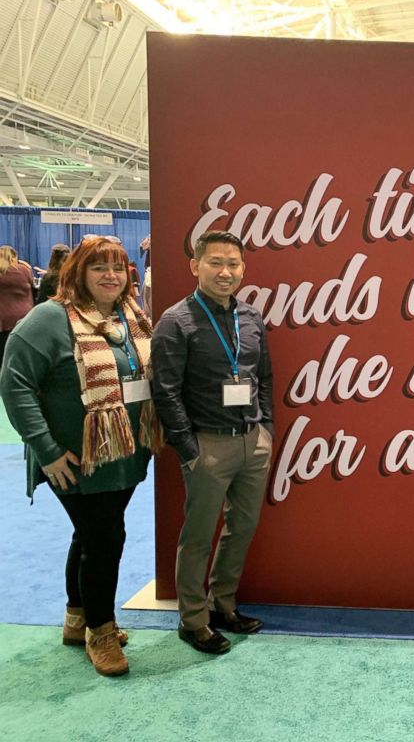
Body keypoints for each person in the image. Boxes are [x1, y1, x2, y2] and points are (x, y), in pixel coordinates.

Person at [0, 235, 162, 677]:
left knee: (90, 536)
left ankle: (77, 618)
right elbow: (15, 386)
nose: (110, 276)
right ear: (77, 272)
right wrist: (47, 451)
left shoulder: (130, 316)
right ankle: (101, 631)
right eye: (98, 267)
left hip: (123, 455)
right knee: (105, 539)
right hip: (72, 458)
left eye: (118, 267)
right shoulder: (48, 319)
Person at [151, 230, 273, 655]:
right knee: (199, 536)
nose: (225, 272)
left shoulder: (252, 318)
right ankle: (193, 620)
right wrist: (188, 451)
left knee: (242, 528)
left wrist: (267, 430)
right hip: (207, 445)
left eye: (233, 264)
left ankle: (224, 605)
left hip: (251, 442)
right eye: (215, 262)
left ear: (243, 269)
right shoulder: (175, 321)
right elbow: (164, 391)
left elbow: (264, 378)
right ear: (195, 266)